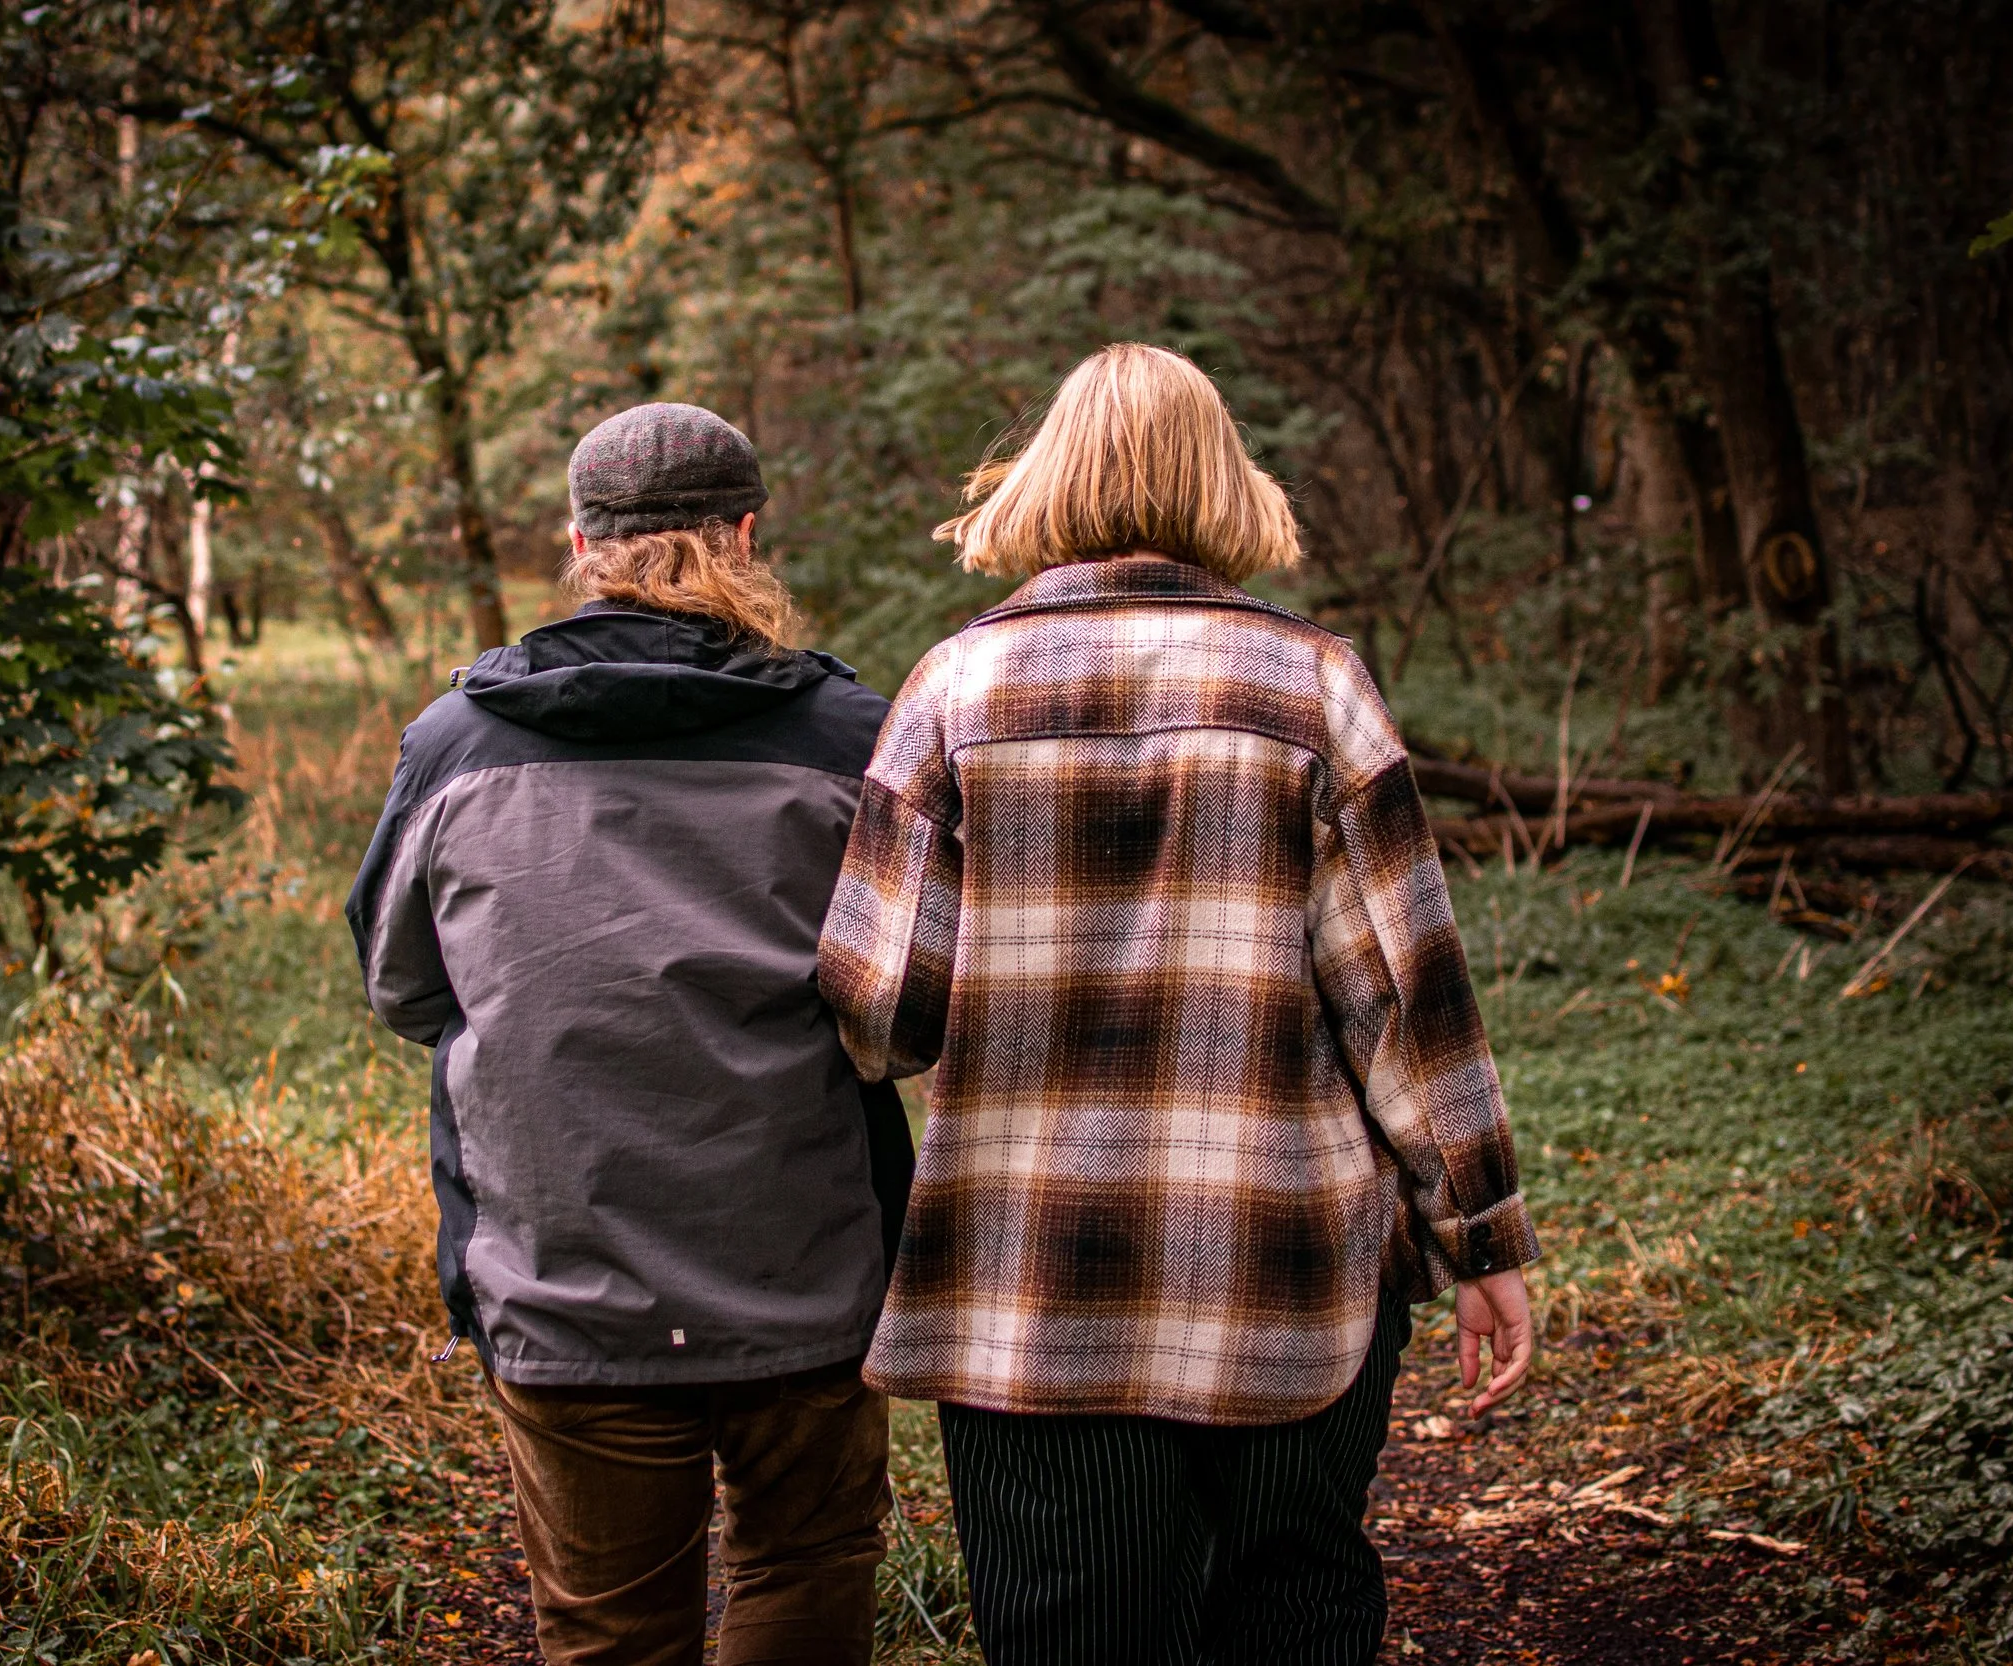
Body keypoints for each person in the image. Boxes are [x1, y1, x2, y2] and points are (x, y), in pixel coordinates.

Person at [817, 343, 1539, 1666]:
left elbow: (879, 1018)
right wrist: (1479, 1237)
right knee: (1294, 1613)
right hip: (1291, 1276)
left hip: (1034, 1294)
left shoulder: (949, 692)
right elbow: (1406, 1005)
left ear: (1044, 479)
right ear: (1227, 481)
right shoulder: (1316, 687)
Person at [348, 401, 914, 1666]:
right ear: (748, 532)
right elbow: (903, 1011)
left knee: (606, 1631)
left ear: (580, 541)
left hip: (563, 1282)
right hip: (804, 1273)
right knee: (806, 1566)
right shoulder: (849, 741)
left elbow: (403, 990)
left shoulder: (457, 746)